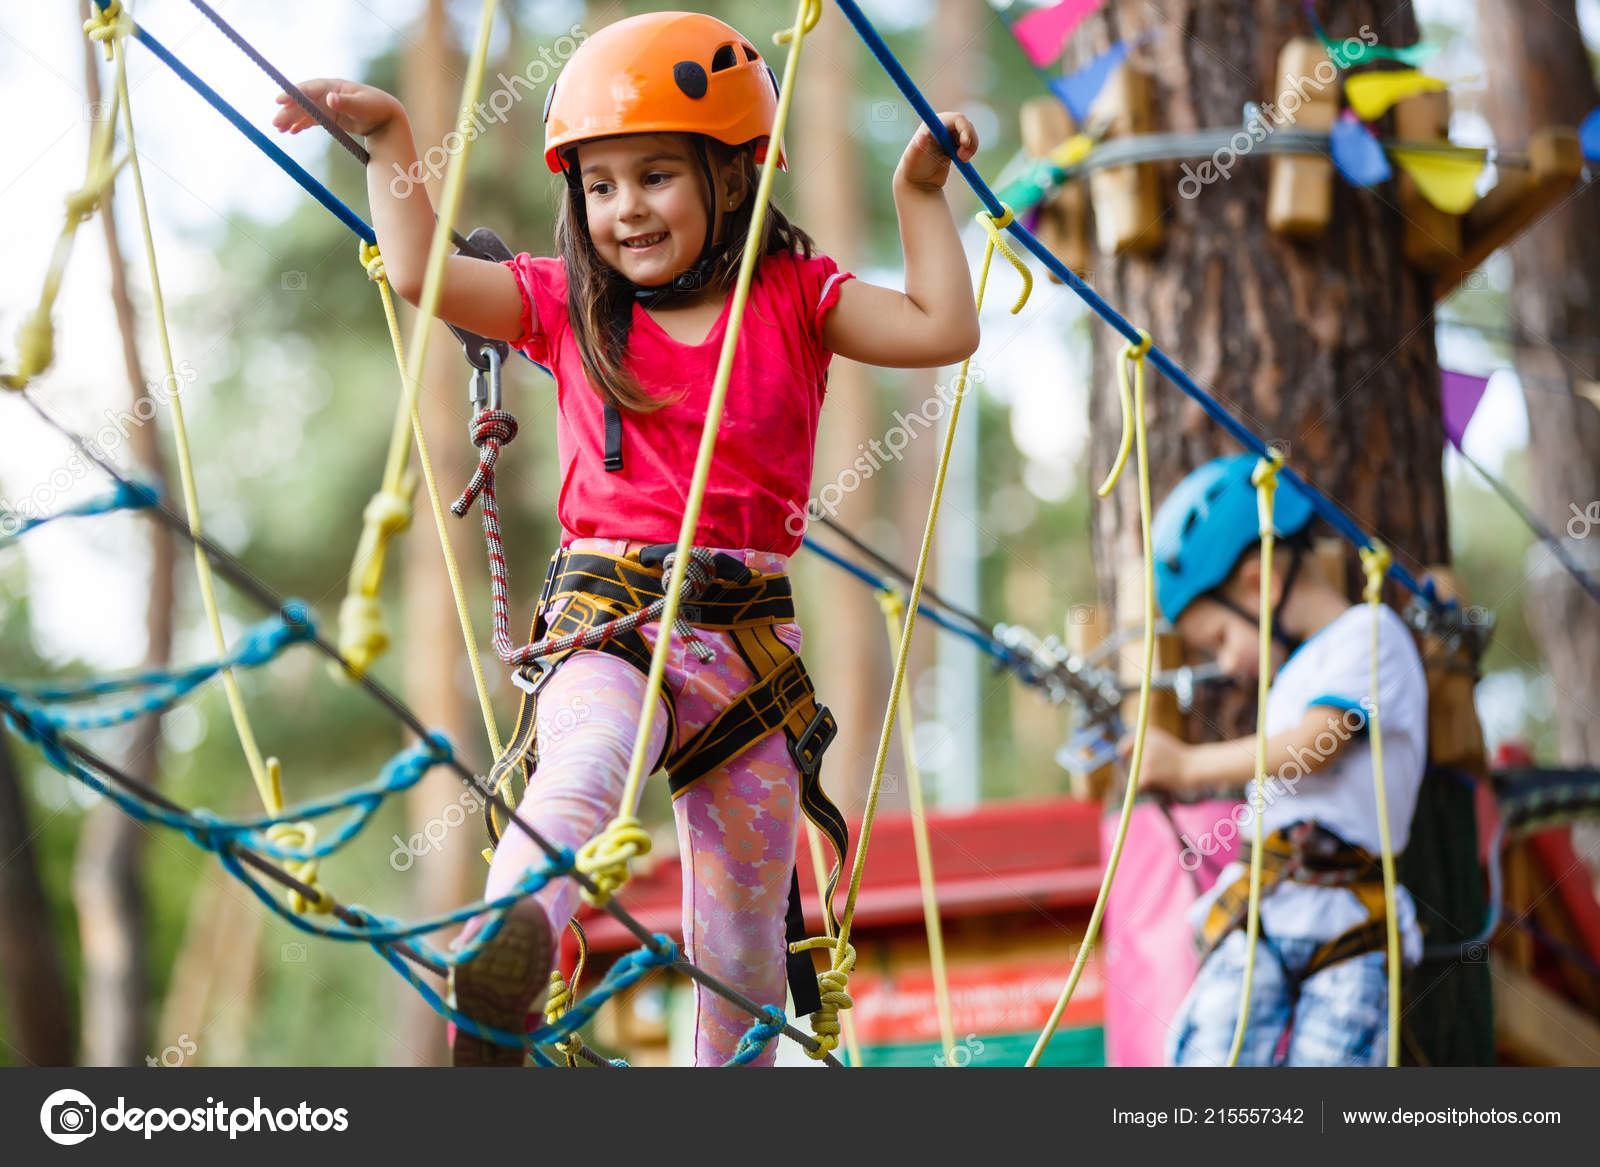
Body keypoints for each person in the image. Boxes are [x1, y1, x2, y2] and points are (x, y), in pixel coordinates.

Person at [272, 10, 981, 1066]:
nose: (624, 209)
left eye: (654, 176)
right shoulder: (564, 306)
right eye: (598, 186)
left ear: (731, 177)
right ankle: (503, 950)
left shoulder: (794, 296)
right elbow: (421, 273)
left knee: (744, 940)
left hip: (747, 656)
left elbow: (940, 327)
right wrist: (389, 144)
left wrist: (917, 197)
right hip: (609, 625)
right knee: (584, 771)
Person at [1119, 454, 1428, 1066]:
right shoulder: (1294, 675)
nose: (1229, 664)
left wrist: (1185, 766)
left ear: (1260, 582)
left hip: (1348, 921)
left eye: (1220, 640)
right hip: (1266, 907)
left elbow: (1314, 747)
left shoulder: (1370, 633)